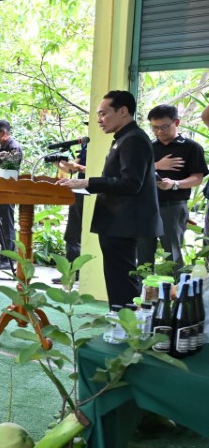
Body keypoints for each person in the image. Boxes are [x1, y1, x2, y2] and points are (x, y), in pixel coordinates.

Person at [58, 90, 162, 308]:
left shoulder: (133, 139)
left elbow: (131, 183)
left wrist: (87, 182)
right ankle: (120, 317)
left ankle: (126, 320)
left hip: (124, 223)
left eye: (103, 114)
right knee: (117, 277)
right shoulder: (124, 138)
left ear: (123, 111)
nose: (99, 120)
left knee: (121, 279)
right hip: (116, 222)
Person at [137, 104, 208, 274]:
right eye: (154, 127)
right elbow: (134, 171)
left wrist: (174, 184)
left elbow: (197, 178)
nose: (159, 131)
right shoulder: (148, 146)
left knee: (172, 255)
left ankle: (175, 289)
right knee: (143, 253)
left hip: (173, 207)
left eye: (164, 127)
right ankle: (143, 288)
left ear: (176, 122)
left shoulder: (191, 147)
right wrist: (156, 166)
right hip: (146, 205)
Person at [0, 119, 22, 269]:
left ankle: (9, 259)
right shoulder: (3, 147)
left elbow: (7, 169)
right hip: (1, 190)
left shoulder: (13, 147)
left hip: (8, 191)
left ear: (3, 132)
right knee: (0, 223)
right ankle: (4, 255)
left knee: (6, 224)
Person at [53, 141, 87, 285]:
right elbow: (71, 169)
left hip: (93, 192)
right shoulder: (86, 146)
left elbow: (99, 171)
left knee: (83, 236)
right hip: (79, 193)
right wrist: (56, 162)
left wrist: (78, 167)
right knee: (72, 235)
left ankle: (79, 272)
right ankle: (71, 273)